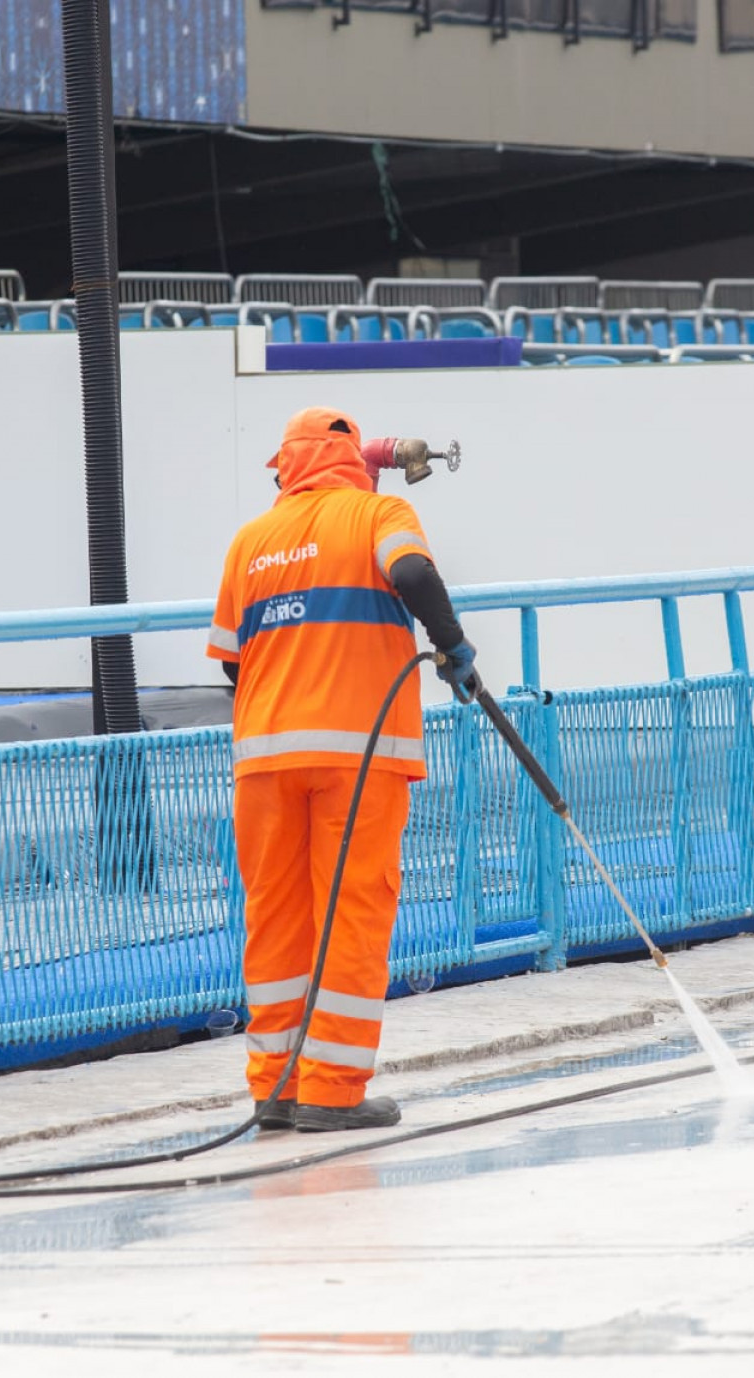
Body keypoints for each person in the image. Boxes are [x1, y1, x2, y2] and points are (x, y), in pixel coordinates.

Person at [207, 407, 479, 1134]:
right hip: (359, 755)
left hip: (263, 759)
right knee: (352, 912)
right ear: (353, 462)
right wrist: (452, 648)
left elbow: (235, 664)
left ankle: (274, 1088)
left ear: (286, 466)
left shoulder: (250, 542)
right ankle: (329, 1092)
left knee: (277, 921)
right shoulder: (377, 511)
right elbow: (412, 571)